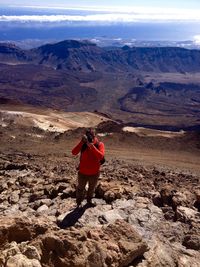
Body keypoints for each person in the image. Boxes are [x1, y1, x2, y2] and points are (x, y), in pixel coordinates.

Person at [72, 128, 105, 207]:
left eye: (91, 134)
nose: (90, 136)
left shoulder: (99, 144)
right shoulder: (83, 144)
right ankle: (78, 203)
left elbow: (101, 156)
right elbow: (74, 152)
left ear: (94, 135)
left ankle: (89, 201)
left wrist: (92, 146)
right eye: (88, 134)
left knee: (91, 189)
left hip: (94, 173)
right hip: (82, 173)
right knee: (80, 188)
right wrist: (82, 142)